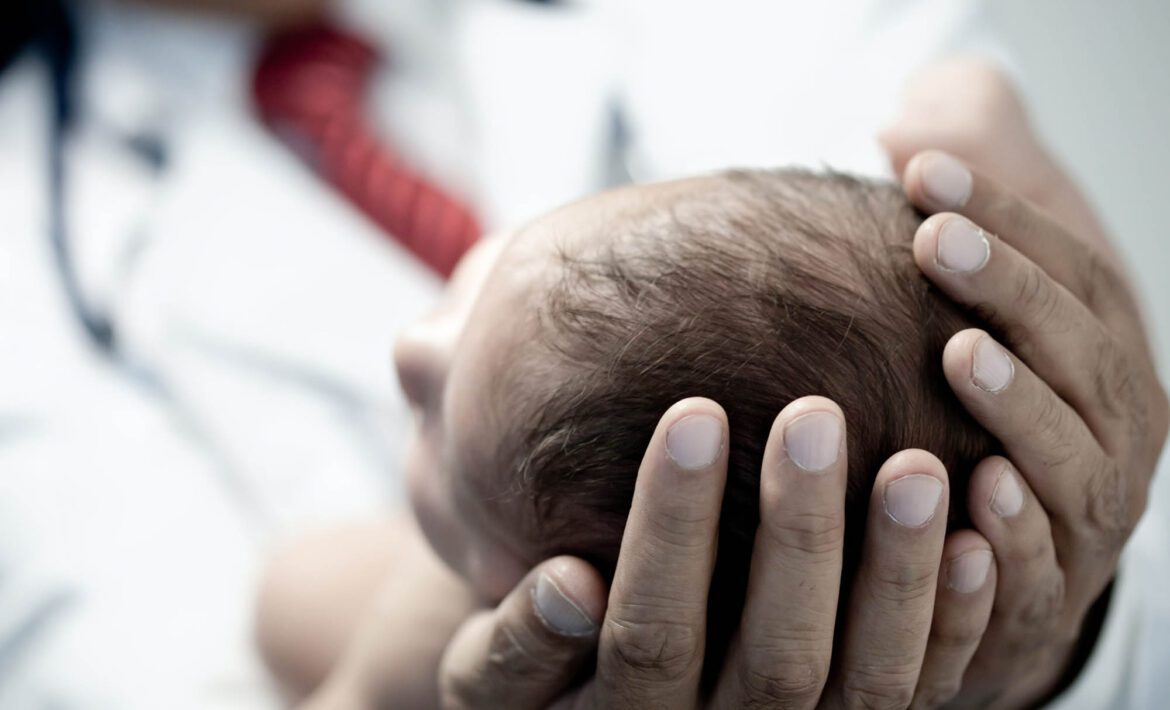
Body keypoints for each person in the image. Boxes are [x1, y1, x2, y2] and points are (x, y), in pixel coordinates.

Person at [255, 67, 1169, 706]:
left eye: (432, 428)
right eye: (481, 288)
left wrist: (374, 695)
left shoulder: (455, 645)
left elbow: (285, 603)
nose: (410, 347)